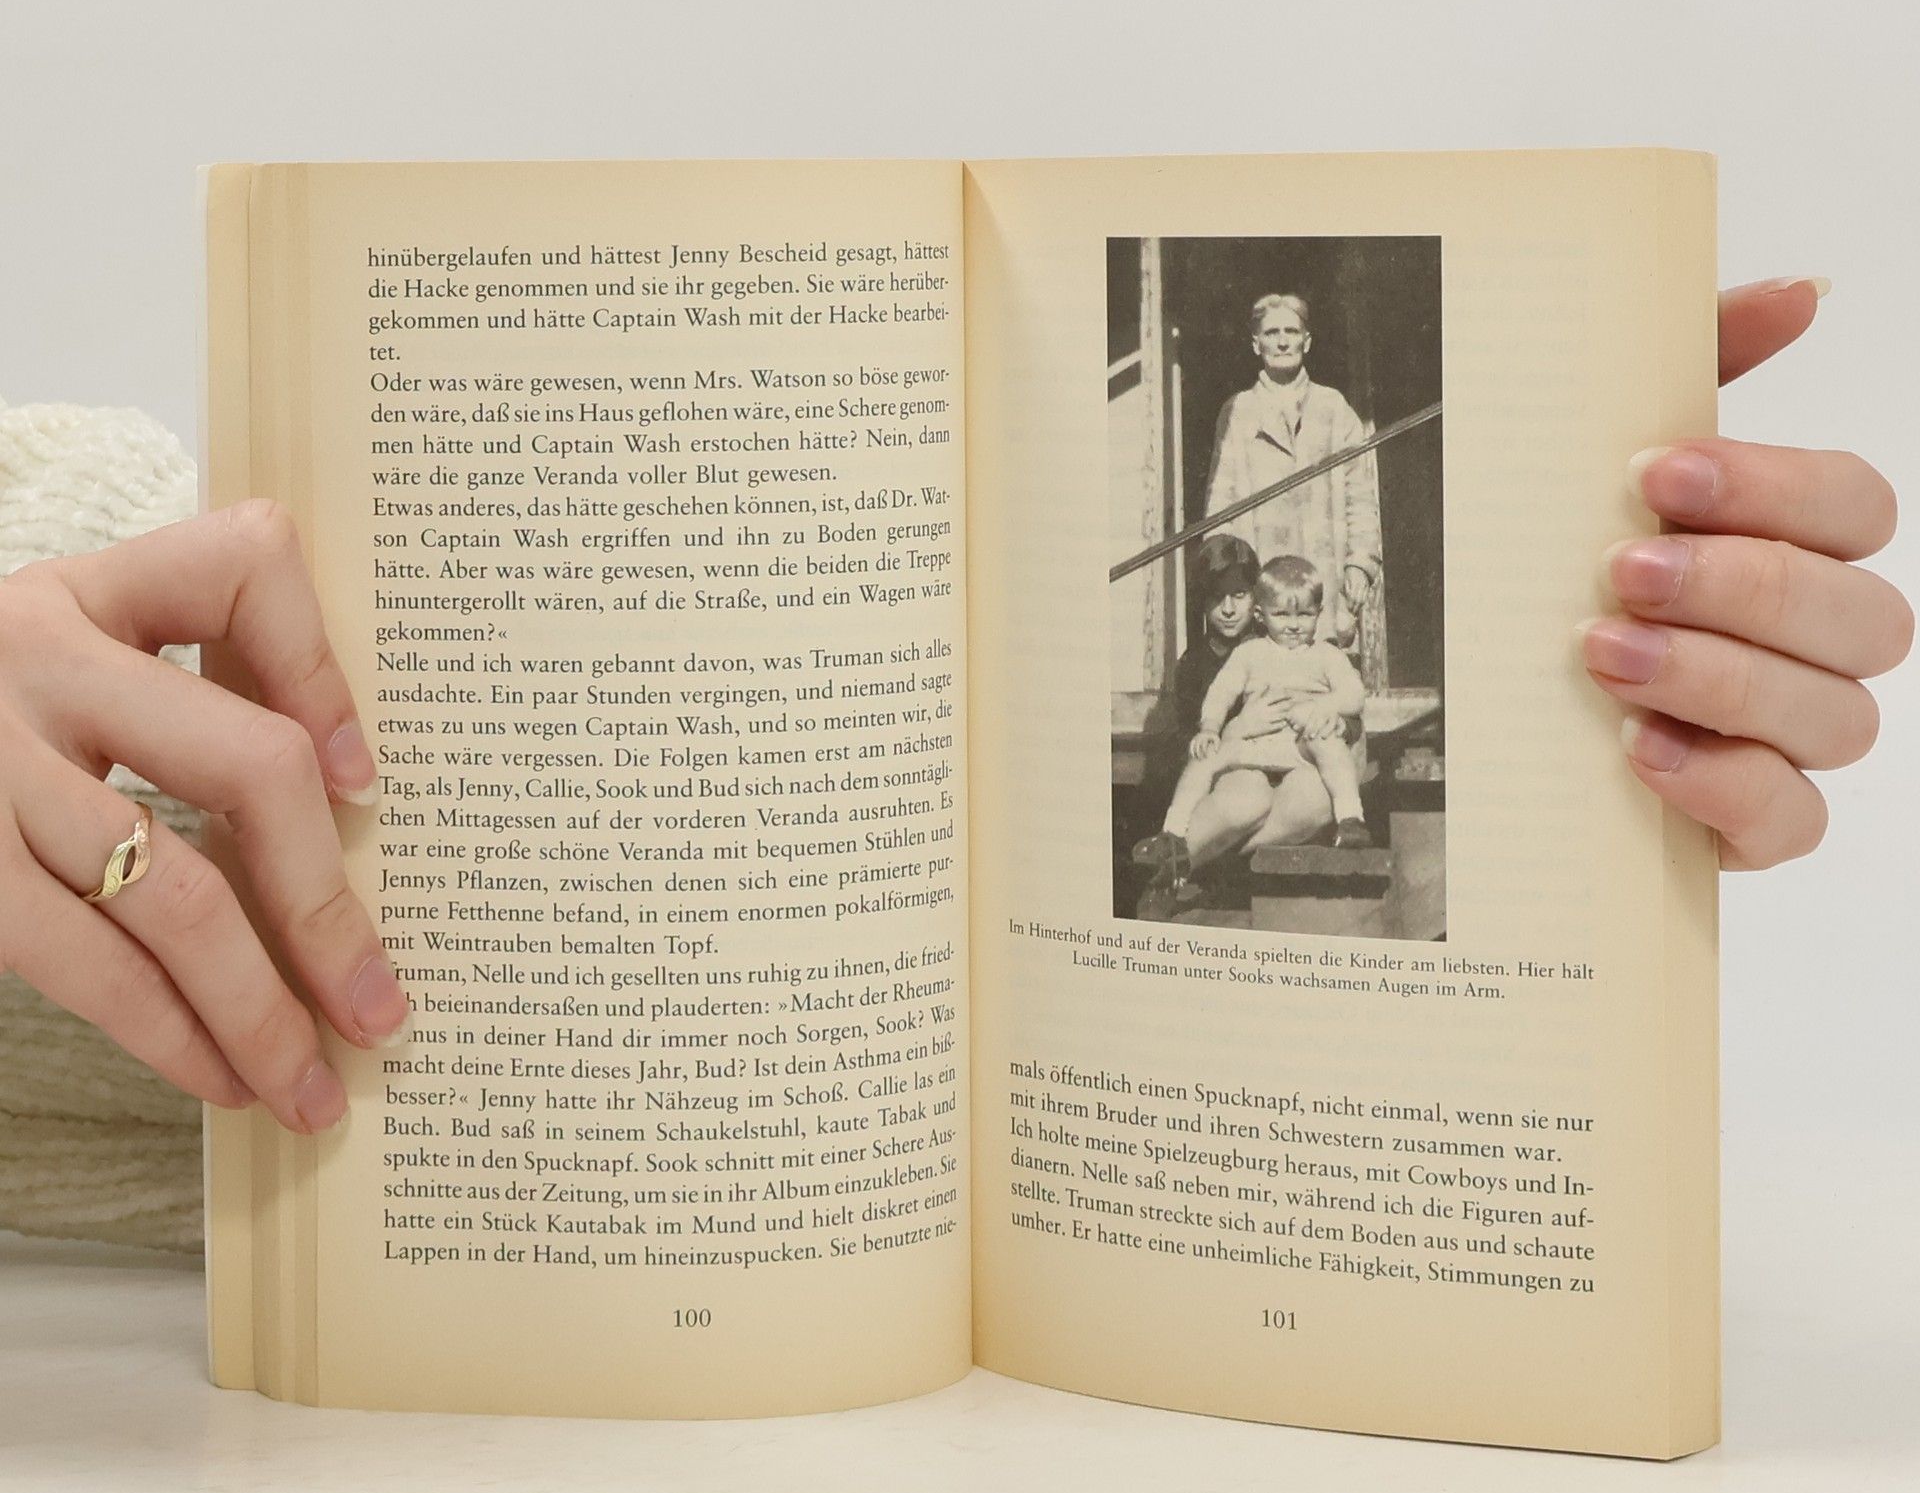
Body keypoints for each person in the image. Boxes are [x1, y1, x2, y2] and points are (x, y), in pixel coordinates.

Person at [0, 279, 1910, 1137]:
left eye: (1288, 334)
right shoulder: (1246, 504)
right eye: (1257, 336)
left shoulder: (1331, 427)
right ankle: (1204, 848)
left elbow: (1340, 553)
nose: (1276, 350)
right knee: (1240, 769)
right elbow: (1231, 542)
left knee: (1292, 768)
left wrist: (1566, 651)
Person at [1136, 555, 1369, 907]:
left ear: (1319, 614)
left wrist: (1326, 708)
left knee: (1328, 744)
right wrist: (1212, 727)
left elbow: (1353, 694)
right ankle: (1173, 835)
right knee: (1206, 760)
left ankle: (1351, 818)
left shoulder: (1325, 655)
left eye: (1305, 615)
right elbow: (1221, 693)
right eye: (1282, 615)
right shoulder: (1248, 654)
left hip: (1301, 745)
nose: (1294, 625)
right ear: (1262, 615)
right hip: (1256, 747)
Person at [1203, 292, 1383, 656]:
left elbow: (1361, 497)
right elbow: (1220, 504)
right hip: (1261, 583)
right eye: (1272, 333)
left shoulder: (1334, 408)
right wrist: (1229, 583)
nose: (1283, 341)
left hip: (1324, 581)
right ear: (1256, 343)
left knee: (1324, 679)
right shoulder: (1238, 411)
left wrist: (1360, 565)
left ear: (1307, 340)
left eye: (1292, 331)